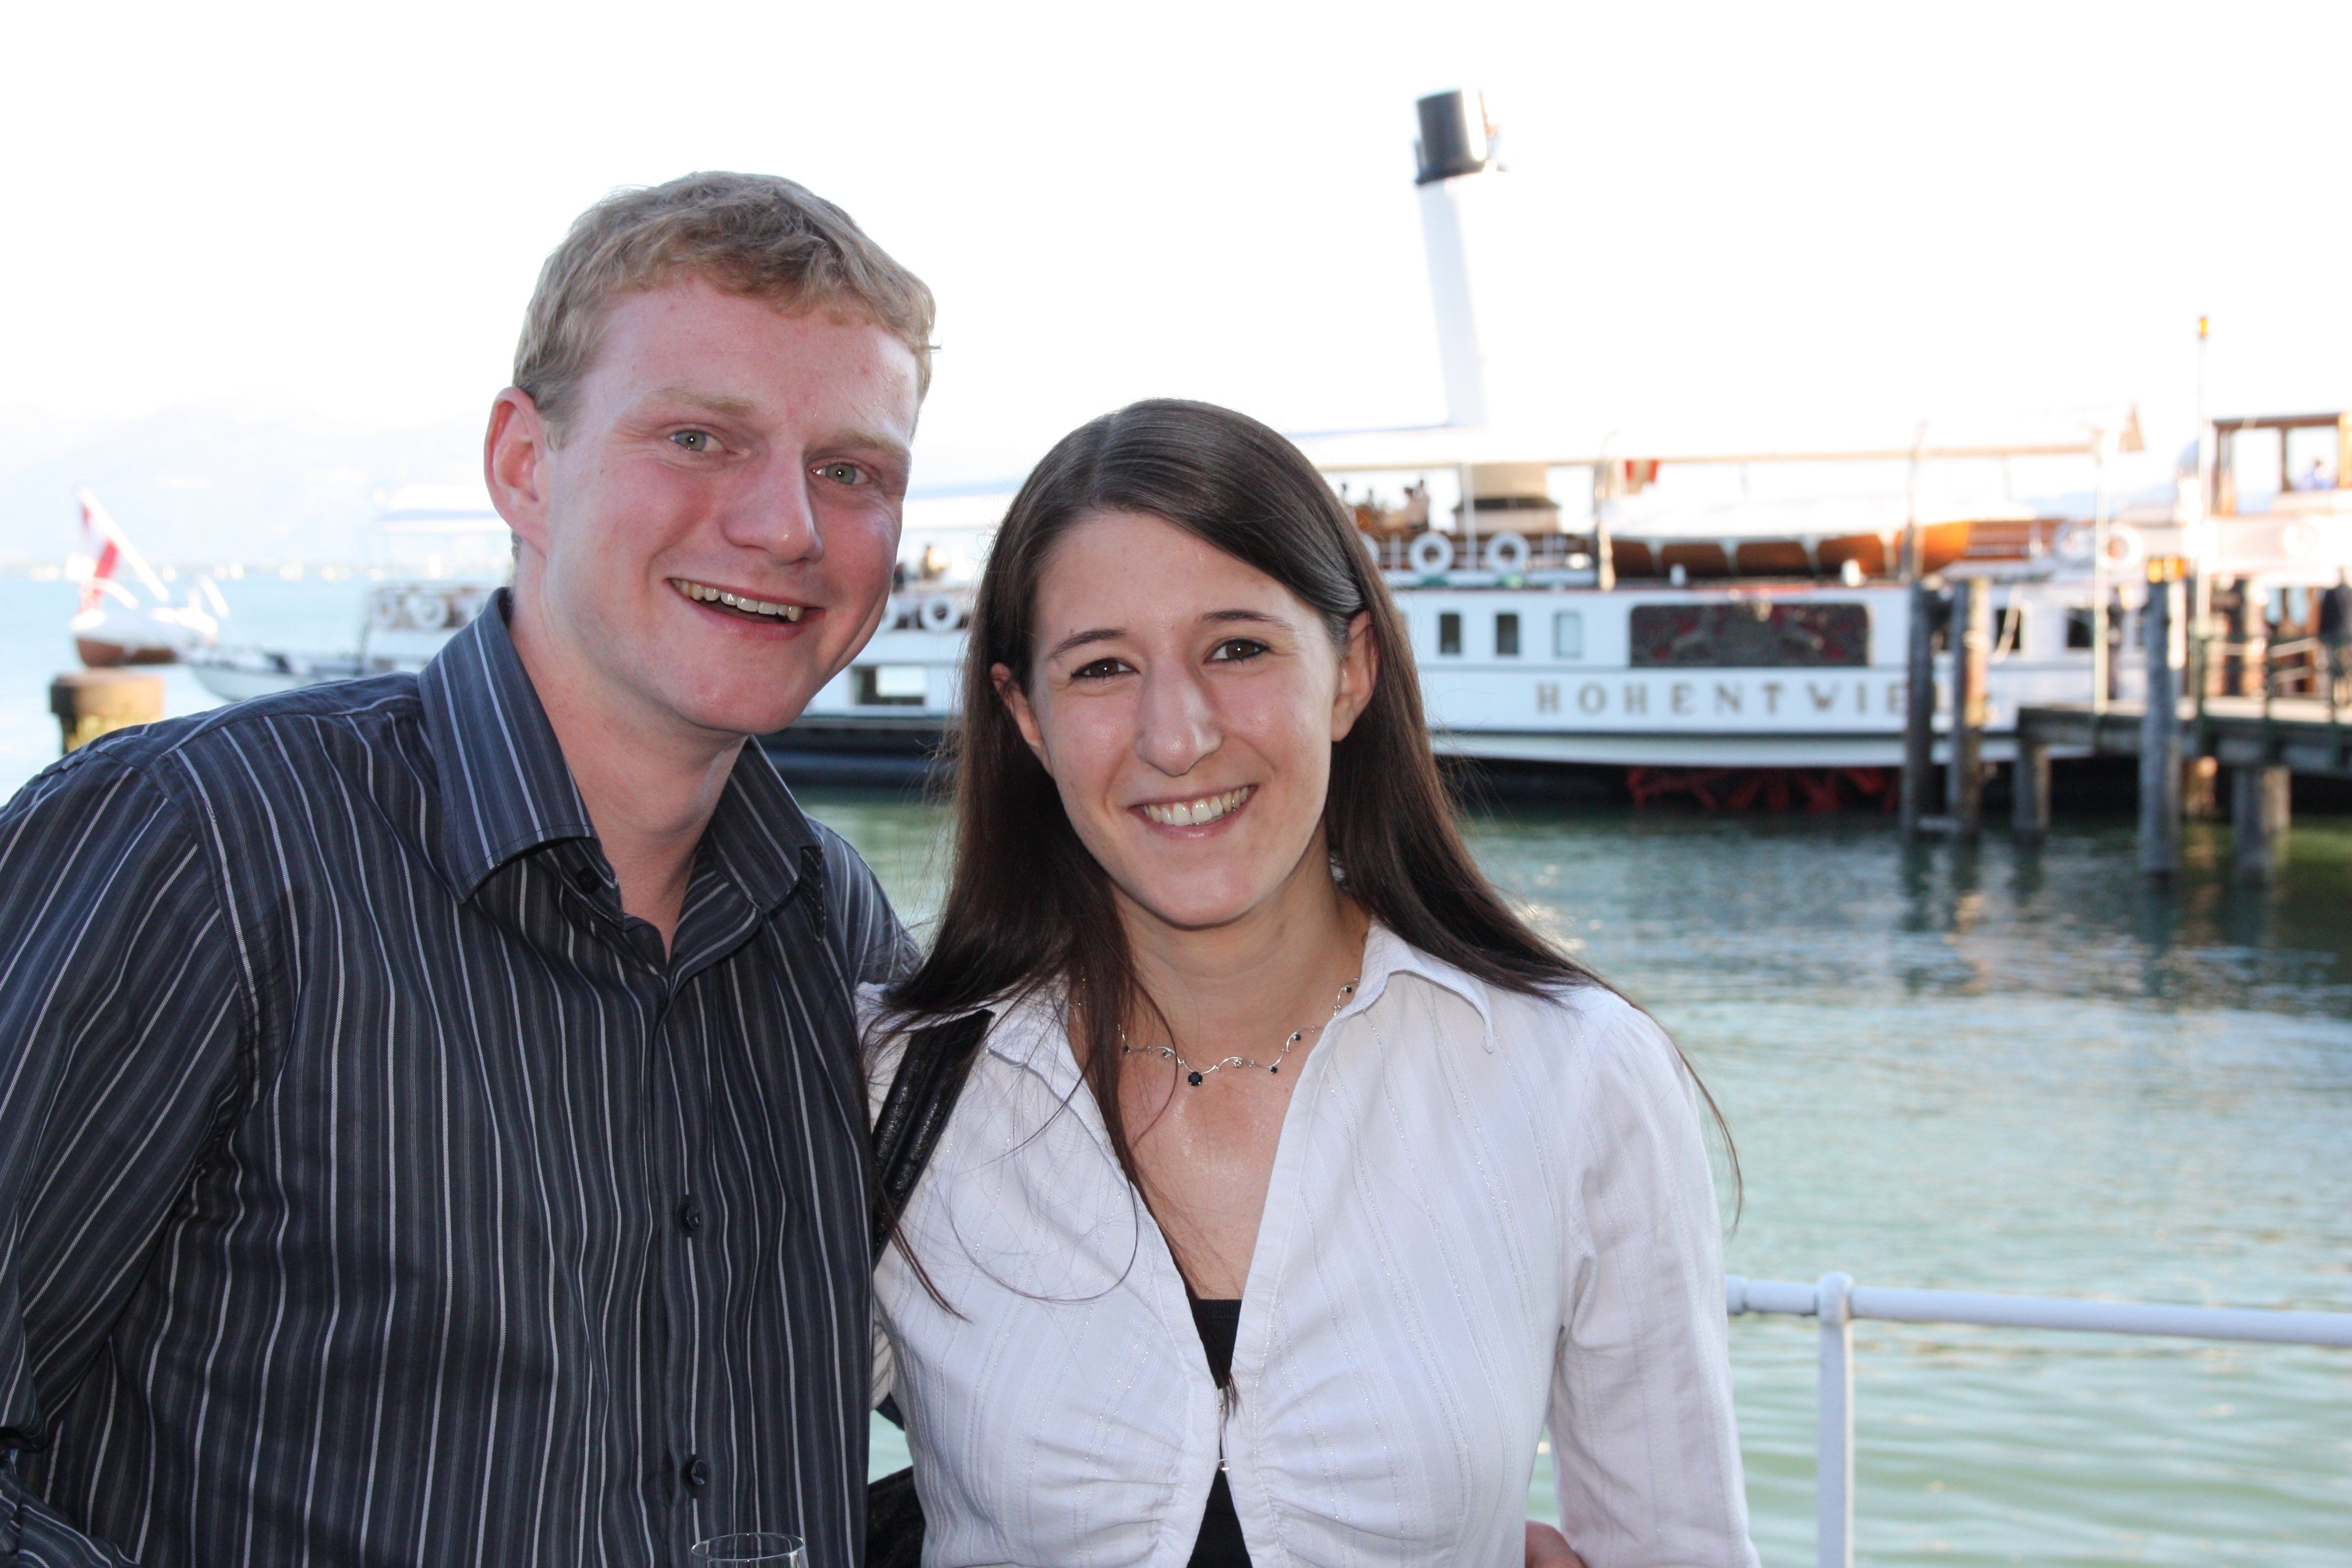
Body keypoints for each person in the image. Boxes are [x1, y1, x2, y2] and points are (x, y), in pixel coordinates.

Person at [0, 172, 927, 1566]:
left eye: (852, 470)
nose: (786, 523)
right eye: (698, 437)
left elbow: (1036, 1399)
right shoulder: (208, 848)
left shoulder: (834, 929)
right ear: (522, 464)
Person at [869, 400, 1757, 1567]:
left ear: (1351, 672)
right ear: (1027, 718)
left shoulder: (1576, 1075)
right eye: (1102, 667)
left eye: (1237, 648)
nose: (1176, 735)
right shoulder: (898, 1090)